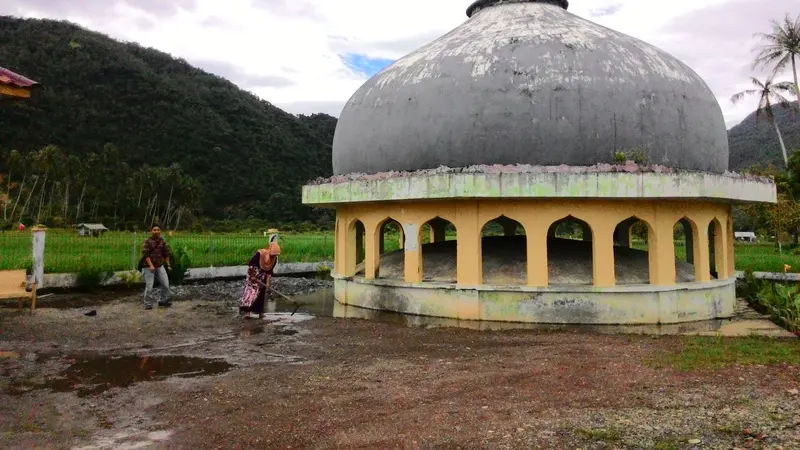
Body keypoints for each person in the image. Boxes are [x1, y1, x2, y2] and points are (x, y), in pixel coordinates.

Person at [239, 234, 281, 319]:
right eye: (273, 254)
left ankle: (260, 312)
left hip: (262, 276)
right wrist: (253, 275)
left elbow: (269, 271)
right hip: (253, 274)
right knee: (251, 293)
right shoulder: (260, 254)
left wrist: (268, 282)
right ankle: (247, 312)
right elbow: (251, 264)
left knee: (260, 294)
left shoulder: (274, 259)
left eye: (275, 255)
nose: (273, 256)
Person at [140, 224, 172, 310]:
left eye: (158, 230)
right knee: (149, 286)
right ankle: (148, 304)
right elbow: (145, 254)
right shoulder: (147, 241)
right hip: (148, 266)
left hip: (159, 266)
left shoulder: (162, 241)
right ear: (151, 231)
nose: (156, 231)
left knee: (165, 285)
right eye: (154, 230)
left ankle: (162, 300)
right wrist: (150, 265)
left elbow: (166, 254)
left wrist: (168, 264)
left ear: (160, 231)